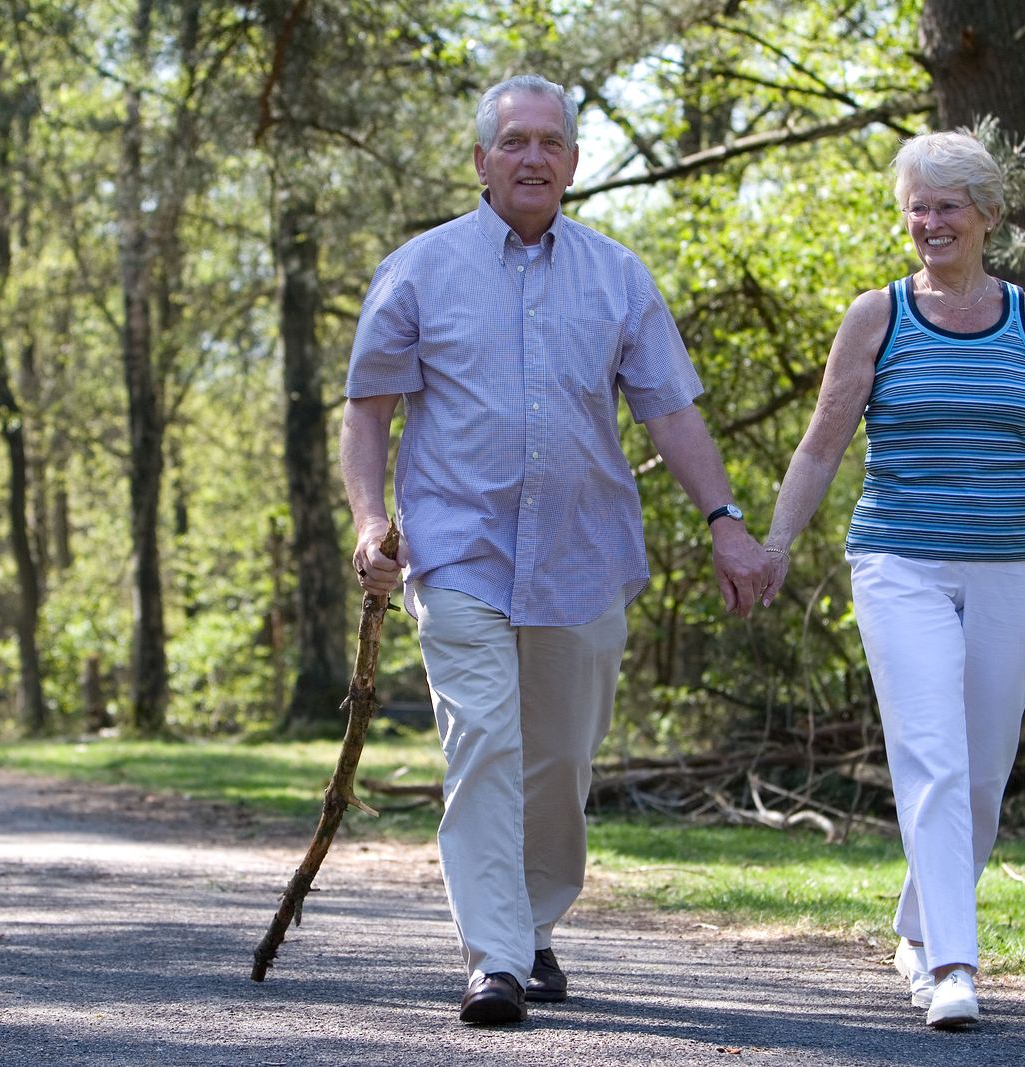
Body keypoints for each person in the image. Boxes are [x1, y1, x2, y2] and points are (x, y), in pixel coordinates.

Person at [339, 73, 777, 1025]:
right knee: (485, 741)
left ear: (575, 162)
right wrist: (370, 521)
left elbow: (671, 411)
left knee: (561, 762)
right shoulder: (419, 269)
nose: (532, 157)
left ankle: (534, 926)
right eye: (514, 142)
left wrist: (726, 522)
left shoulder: (618, 276)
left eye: (550, 143)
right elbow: (367, 412)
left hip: (583, 554)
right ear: (481, 161)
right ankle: (493, 956)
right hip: (457, 548)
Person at [760, 130, 1025, 1029]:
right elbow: (821, 446)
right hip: (899, 560)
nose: (930, 222)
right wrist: (772, 545)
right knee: (931, 749)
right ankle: (952, 966)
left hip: (1013, 561)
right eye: (917, 207)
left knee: (982, 771)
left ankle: (919, 924)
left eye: (947, 206)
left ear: (988, 216)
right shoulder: (877, 316)